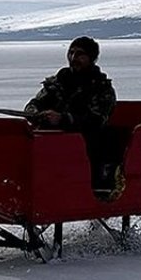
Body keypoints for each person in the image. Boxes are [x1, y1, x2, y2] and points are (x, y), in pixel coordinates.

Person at [25, 36, 118, 190]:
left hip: (86, 146)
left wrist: (63, 119)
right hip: (49, 142)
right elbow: (34, 104)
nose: (74, 58)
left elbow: (96, 121)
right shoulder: (57, 83)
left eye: (80, 54)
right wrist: (35, 113)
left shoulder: (102, 89)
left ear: (92, 58)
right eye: (71, 52)